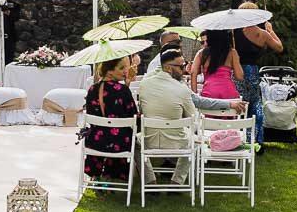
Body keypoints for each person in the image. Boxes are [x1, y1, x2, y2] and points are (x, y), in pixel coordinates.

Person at [137, 47, 243, 185]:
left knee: (134, 142)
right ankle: (177, 182)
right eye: (181, 66)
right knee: (195, 140)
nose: (185, 69)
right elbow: (194, 119)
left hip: (148, 141)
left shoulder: (144, 83)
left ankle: (150, 180)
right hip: (176, 142)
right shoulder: (182, 89)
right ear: (168, 68)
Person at [233, 1, 284, 146]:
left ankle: (237, 138)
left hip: (236, 71)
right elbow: (279, 48)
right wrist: (270, 30)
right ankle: (255, 140)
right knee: (255, 104)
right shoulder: (262, 34)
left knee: (239, 103)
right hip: (253, 72)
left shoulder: (233, 33)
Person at [81, 55, 139, 182]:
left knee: (101, 133)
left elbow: (90, 115)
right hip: (120, 142)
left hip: (96, 141)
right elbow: (134, 116)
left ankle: (96, 177)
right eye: (121, 68)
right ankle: (109, 177)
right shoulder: (122, 90)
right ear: (109, 70)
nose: (125, 71)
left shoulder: (93, 89)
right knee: (129, 136)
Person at [199, 30, 245, 103]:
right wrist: (236, 59)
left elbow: (193, 73)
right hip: (229, 93)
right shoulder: (232, 52)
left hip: (209, 93)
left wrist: (195, 94)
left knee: (208, 113)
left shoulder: (202, 53)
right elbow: (239, 76)